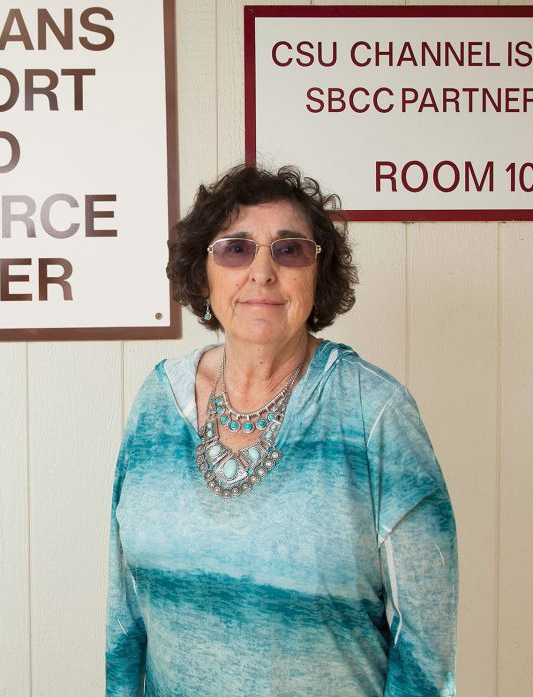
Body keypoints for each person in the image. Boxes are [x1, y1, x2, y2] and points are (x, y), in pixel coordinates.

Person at [105, 164, 457, 696]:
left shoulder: (375, 412)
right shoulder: (159, 400)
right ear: (204, 273)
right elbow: (125, 610)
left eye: (289, 250)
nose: (262, 272)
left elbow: (426, 641)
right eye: (235, 249)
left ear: (319, 273)